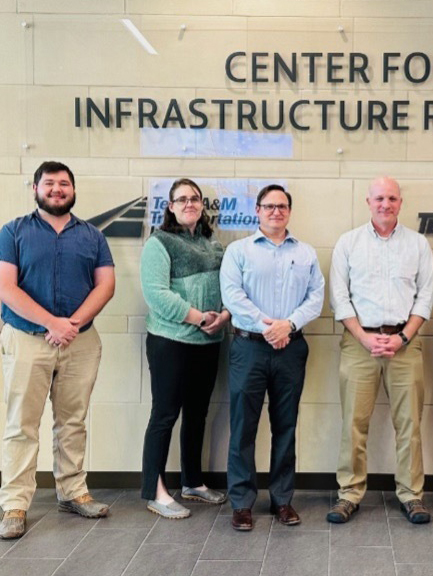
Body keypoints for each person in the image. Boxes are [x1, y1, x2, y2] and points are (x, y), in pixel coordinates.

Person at [0, 161, 116, 539]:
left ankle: (73, 492)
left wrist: (71, 324)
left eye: (64, 184)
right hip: (27, 338)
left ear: (73, 191)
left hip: (80, 341)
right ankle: (14, 504)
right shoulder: (12, 232)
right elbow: (5, 288)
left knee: (73, 422)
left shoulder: (93, 236)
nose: (57, 189)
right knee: (21, 424)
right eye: (49, 183)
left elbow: (105, 286)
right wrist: (52, 323)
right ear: (35, 188)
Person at [326, 176, 433, 525]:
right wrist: (363, 337)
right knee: (353, 424)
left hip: (406, 345)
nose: (385, 204)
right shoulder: (349, 243)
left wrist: (403, 337)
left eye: (391, 198)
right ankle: (350, 494)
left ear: (400, 203)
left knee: (409, 425)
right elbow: (339, 297)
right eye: (379, 198)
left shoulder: (418, 244)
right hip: (359, 344)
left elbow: (426, 296)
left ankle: (411, 495)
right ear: (368, 202)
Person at [219, 184, 325, 531]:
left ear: (289, 212)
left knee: (286, 426)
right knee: (243, 427)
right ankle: (242, 503)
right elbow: (232, 295)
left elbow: (316, 298)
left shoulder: (306, 253)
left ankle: (282, 500)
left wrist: (288, 325)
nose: (276, 211)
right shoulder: (239, 251)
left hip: (291, 349)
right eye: (269, 206)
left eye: (282, 206)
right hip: (249, 346)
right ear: (258, 211)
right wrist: (268, 327)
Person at [139, 178, 231, 519]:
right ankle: (155, 490)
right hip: (170, 342)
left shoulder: (212, 243)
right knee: (164, 415)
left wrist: (222, 316)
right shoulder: (159, 243)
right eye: (182, 199)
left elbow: (227, 287)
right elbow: (156, 295)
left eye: (195, 198)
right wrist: (197, 317)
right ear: (171, 207)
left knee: (197, 413)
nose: (189, 203)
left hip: (208, 341)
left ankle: (192, 481)